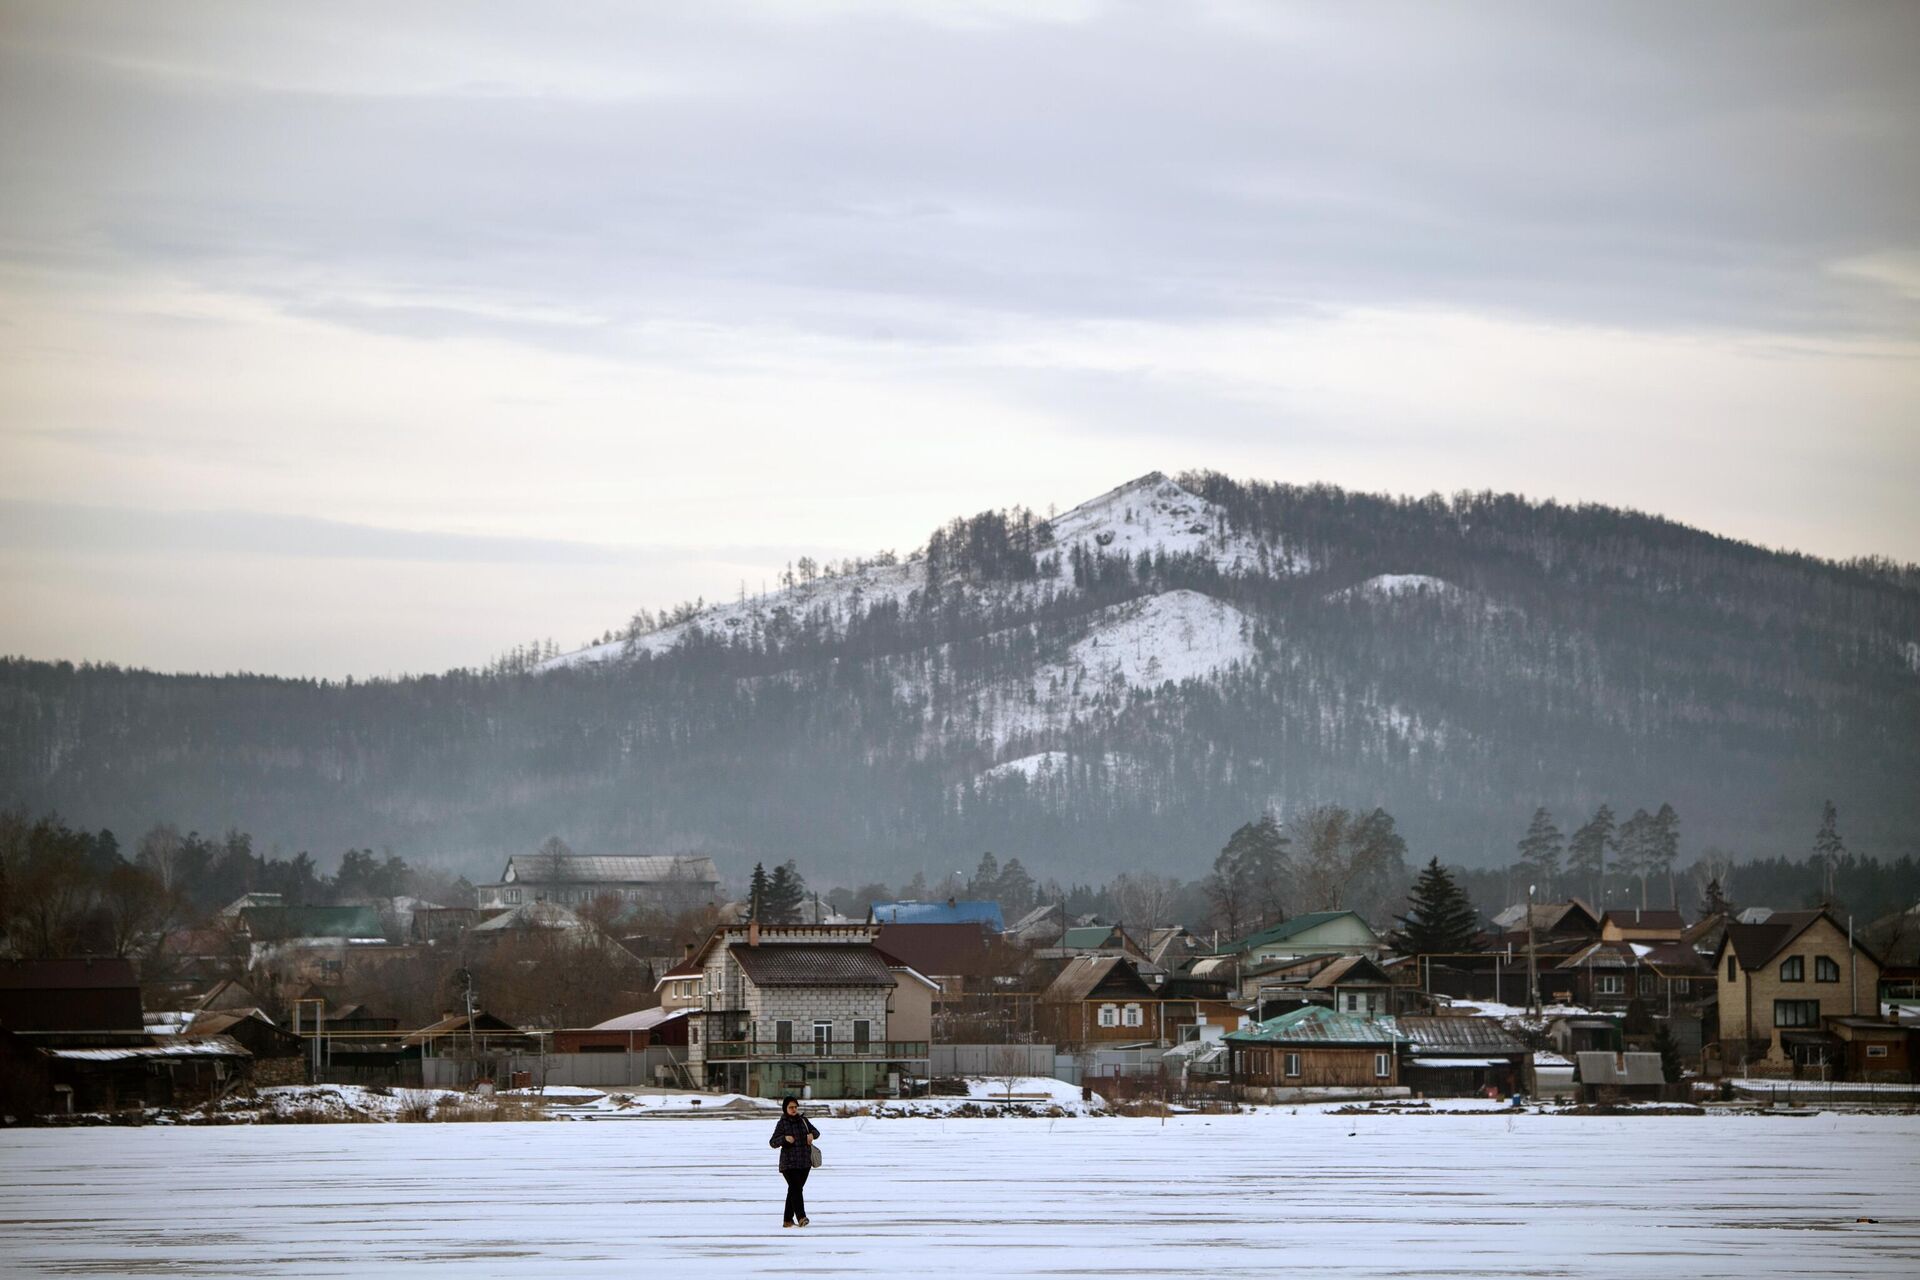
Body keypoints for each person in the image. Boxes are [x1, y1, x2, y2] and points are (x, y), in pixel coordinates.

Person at [769, 1096, 820, 1228]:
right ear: (785, 1109)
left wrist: (812, 1135)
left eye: (795, 1107)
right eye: (791, 1107)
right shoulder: (782, 1123)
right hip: (789, 1164)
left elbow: (816, 1132)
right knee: (796, 1189)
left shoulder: (803, 1120)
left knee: (794, 1190)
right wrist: (784, 1139)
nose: (794, 1109)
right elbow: (773, 1142)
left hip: (804, 1162)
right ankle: (801, 1217)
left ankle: (787, 1220)